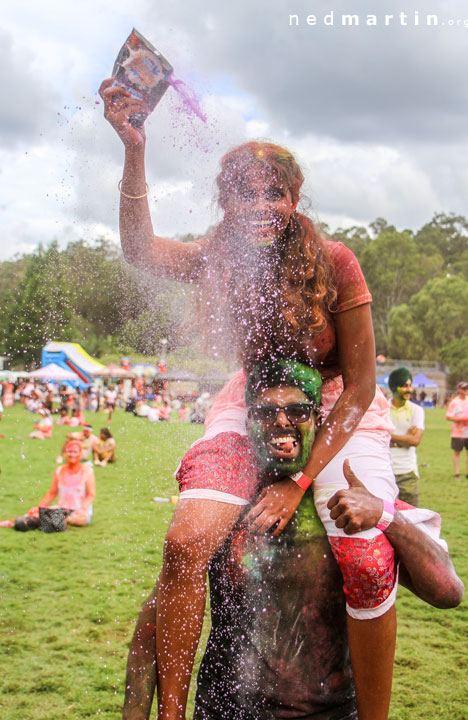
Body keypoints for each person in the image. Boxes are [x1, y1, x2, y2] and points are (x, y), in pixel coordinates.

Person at [99, 80, 417, 719]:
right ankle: (170, 714)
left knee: (364, 557)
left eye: (274, 192)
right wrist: (134, 147)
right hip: (249, 400)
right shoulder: (219, 255)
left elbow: (358, 385)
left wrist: (298, 482)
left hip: (336, 408)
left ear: (295, 198)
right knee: (187, 541)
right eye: (245, 193)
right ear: (226, 201)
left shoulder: (334, 262)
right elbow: (140, 252)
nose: (260, 206)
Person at [121, 359, 463, 720]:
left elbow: (447, 592)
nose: (282, 421)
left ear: (319, 420)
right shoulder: (223, 503)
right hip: (225, 712)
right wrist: (135, 713)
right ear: (246, 421)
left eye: (298, 411)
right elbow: (154, 622)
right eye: (266, 412)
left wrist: (385, 516)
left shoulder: (347, 505)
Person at [2, 440, 96, 530]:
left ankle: (52, 520)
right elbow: (52, 493)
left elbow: (91, 494)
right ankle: (12, 523)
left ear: (80, 453)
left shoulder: (87, 471)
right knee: (34, 514)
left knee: (77, 519)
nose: (72, 455)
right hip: (61, 509)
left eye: (75, 452)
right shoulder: (59, 470)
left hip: (79, 512)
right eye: (69, 451)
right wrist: (39, 507)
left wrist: (83, 508)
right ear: (65, 453)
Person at [388, 368, 425, 506]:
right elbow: (377, 437)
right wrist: (405, 440)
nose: (409, 389)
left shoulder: (416, 410)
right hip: (386, 470)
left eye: (410, 385)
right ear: (394, 387)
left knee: (411, 519)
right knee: (385, 520)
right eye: (404, 386)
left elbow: (415, 440)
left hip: (407, 472)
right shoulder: (383, 408)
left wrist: (389, 437)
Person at [446, 381, 468, 479]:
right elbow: (448, 417)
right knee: (457, 452)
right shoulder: (454, 402)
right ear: (459, 390)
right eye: (464, 388)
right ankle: (457, 473)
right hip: (458, 432)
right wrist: (461, 419)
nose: (466, 390)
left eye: (467, 388)